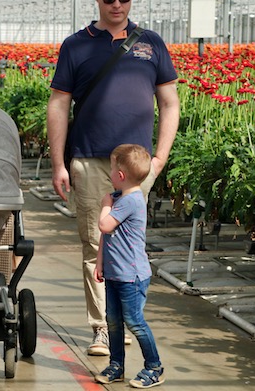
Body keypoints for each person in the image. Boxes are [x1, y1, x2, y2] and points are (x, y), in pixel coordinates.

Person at [46, 0, 180, 356]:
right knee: (95, 245)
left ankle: (129, 318)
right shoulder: (77, 45)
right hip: (90, 160)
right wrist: (59, 163)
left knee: (131, 247)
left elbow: (170, 102)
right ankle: (103, 328)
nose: (116, 4)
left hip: (136, 169)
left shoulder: (151, 43)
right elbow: (59, 104)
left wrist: (159, 158)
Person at [94, 144, 165, 388]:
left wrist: (105, 203)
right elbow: (107, 237)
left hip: (132, 277)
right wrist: (100, 263)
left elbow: (104, 226)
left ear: (120, 176)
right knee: (113, 320)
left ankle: (154, 366)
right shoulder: (120, 199)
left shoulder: (131, 201)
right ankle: (117, 365)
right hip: (116, 274)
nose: (109, 173)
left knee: (134, 322)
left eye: (112, 169)